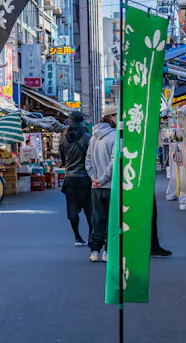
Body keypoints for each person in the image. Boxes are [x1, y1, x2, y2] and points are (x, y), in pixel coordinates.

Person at [85, 108, 117, 263]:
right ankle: (108, 251)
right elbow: (114, 161)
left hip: (96, 186)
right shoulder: (115, 136)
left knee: (97, 218)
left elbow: (88, 160)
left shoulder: (93, 137)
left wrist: (94, 178)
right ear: (112, 117)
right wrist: (103, 179)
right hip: (111, 185)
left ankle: (95, 251)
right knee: (112, 219)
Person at [59, 111, 92, 246]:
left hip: (70, 179)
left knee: (72, 211)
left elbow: (62, 160)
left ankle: (77, 237)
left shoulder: (63, 139)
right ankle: (91, 236)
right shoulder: (88, 138)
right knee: (89, 209)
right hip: (85, 178)